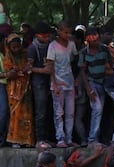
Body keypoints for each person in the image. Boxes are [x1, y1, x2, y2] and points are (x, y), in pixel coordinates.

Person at [47, 20, 78, 148]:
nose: (67, 35)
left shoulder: (71, 45)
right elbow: (50, 65)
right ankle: (60, 139)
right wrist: (54, 84)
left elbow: (74, 61)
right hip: (58, 84)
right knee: (59, 113)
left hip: (70, 83)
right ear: (59, 32)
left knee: (70, 113)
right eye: (65, 32)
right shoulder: (52, 46)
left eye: (69, 32)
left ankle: (69, 138)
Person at [4, 33, 35, 148]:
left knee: (27, 113)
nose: (16, 49)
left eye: (18, 46)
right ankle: (15, 140)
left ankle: (27, 140)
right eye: (14, 47)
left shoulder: (25, 55)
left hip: (26, 88)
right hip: (13, 90)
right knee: (15, 114)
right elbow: (9, 72)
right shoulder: (7, 57)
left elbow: (29, 67)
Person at [27, 21, 53, 149]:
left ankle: (49, 137)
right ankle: (40, 139)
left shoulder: (50, 46)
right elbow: (28, 68)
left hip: (50, 82)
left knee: (50, 110)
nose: (47, 38)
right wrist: (43, 70)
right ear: (37, 35)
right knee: (40, 111)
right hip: (39, 83)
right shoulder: (33, 48)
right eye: (44, 36)